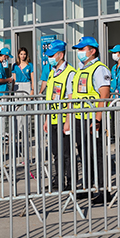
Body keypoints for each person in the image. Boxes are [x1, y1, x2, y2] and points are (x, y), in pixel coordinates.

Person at [64, 36, 112, 204]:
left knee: (96, 154)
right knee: (84, 154)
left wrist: (97, 119)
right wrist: (69, 119)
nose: (79, 52)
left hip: (92, 118)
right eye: (78, 49)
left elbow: (104, 94)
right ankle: (87, 186)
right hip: (79, 117)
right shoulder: (80, 70)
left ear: (92, 51)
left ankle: (103, 190)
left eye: (82, 49)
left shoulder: (99, 69)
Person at [42, 40, 76, 191]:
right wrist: (46, 119)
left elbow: (70, 99)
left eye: (52, 55)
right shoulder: (52, 73)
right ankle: (58, 180)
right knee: (56, 152)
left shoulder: (70, 73)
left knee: (66, 152)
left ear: (61, 55)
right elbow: (50, 98)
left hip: (64, 120)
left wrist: (68, 121)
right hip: (53, 118)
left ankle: (71, 181)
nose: (49, 58)